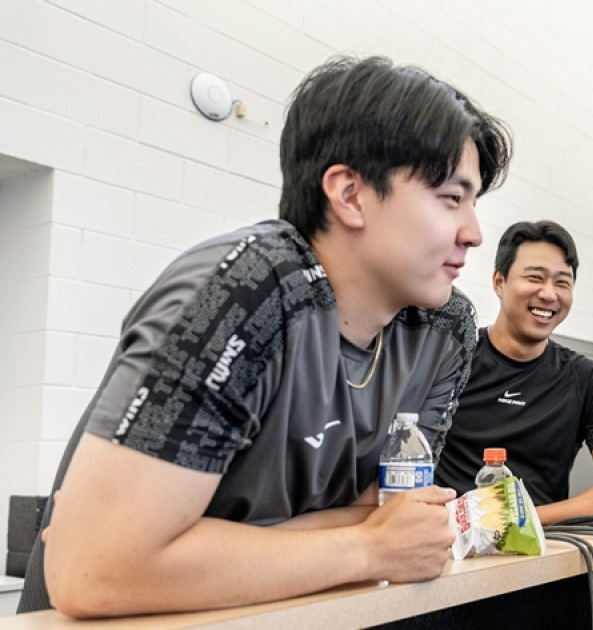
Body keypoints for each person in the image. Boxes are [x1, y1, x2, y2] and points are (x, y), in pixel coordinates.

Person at [18, 55, 513, 617]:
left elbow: (397, 511)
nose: (472, 233)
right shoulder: (246, 289)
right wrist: (368, 546)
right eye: (451, 198)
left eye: (473, 203)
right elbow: (97, 571)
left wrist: (202, 543)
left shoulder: (444, 328)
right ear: (350, 194)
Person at [434, 220, 593, 525]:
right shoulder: (450, 359)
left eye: (562, 282)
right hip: (450, 547)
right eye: (535, 278)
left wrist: (518, 520)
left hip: (544, 553)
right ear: (499, 283)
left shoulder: (588, 380)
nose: (549, 294)